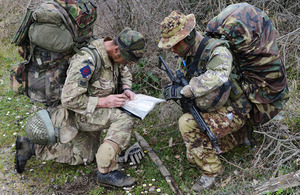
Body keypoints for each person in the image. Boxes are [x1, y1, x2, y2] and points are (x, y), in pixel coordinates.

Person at [15, 28, 146, 188]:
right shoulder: (86, 61)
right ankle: (107, 173)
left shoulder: (114, 54)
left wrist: (126, 88)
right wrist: (104, 101)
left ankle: (31, 146)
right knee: (124, 117)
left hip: (92, 112)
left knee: (85, 156)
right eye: (127, 60)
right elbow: (70, 99)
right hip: (76, 113)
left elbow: (123, 71)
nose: (127, 64)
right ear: (117, 49)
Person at [158, 11, 253, 192]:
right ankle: (241, 136)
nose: (171, 49)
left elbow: (218, 75)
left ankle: (212, 173)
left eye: (174, 45)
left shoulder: (217, 50)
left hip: (235, 109)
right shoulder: (186, 56)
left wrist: (186, 90)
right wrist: (175, 89)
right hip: (214, 107)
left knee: (186, 124)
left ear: (188, 37)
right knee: (192, 156)